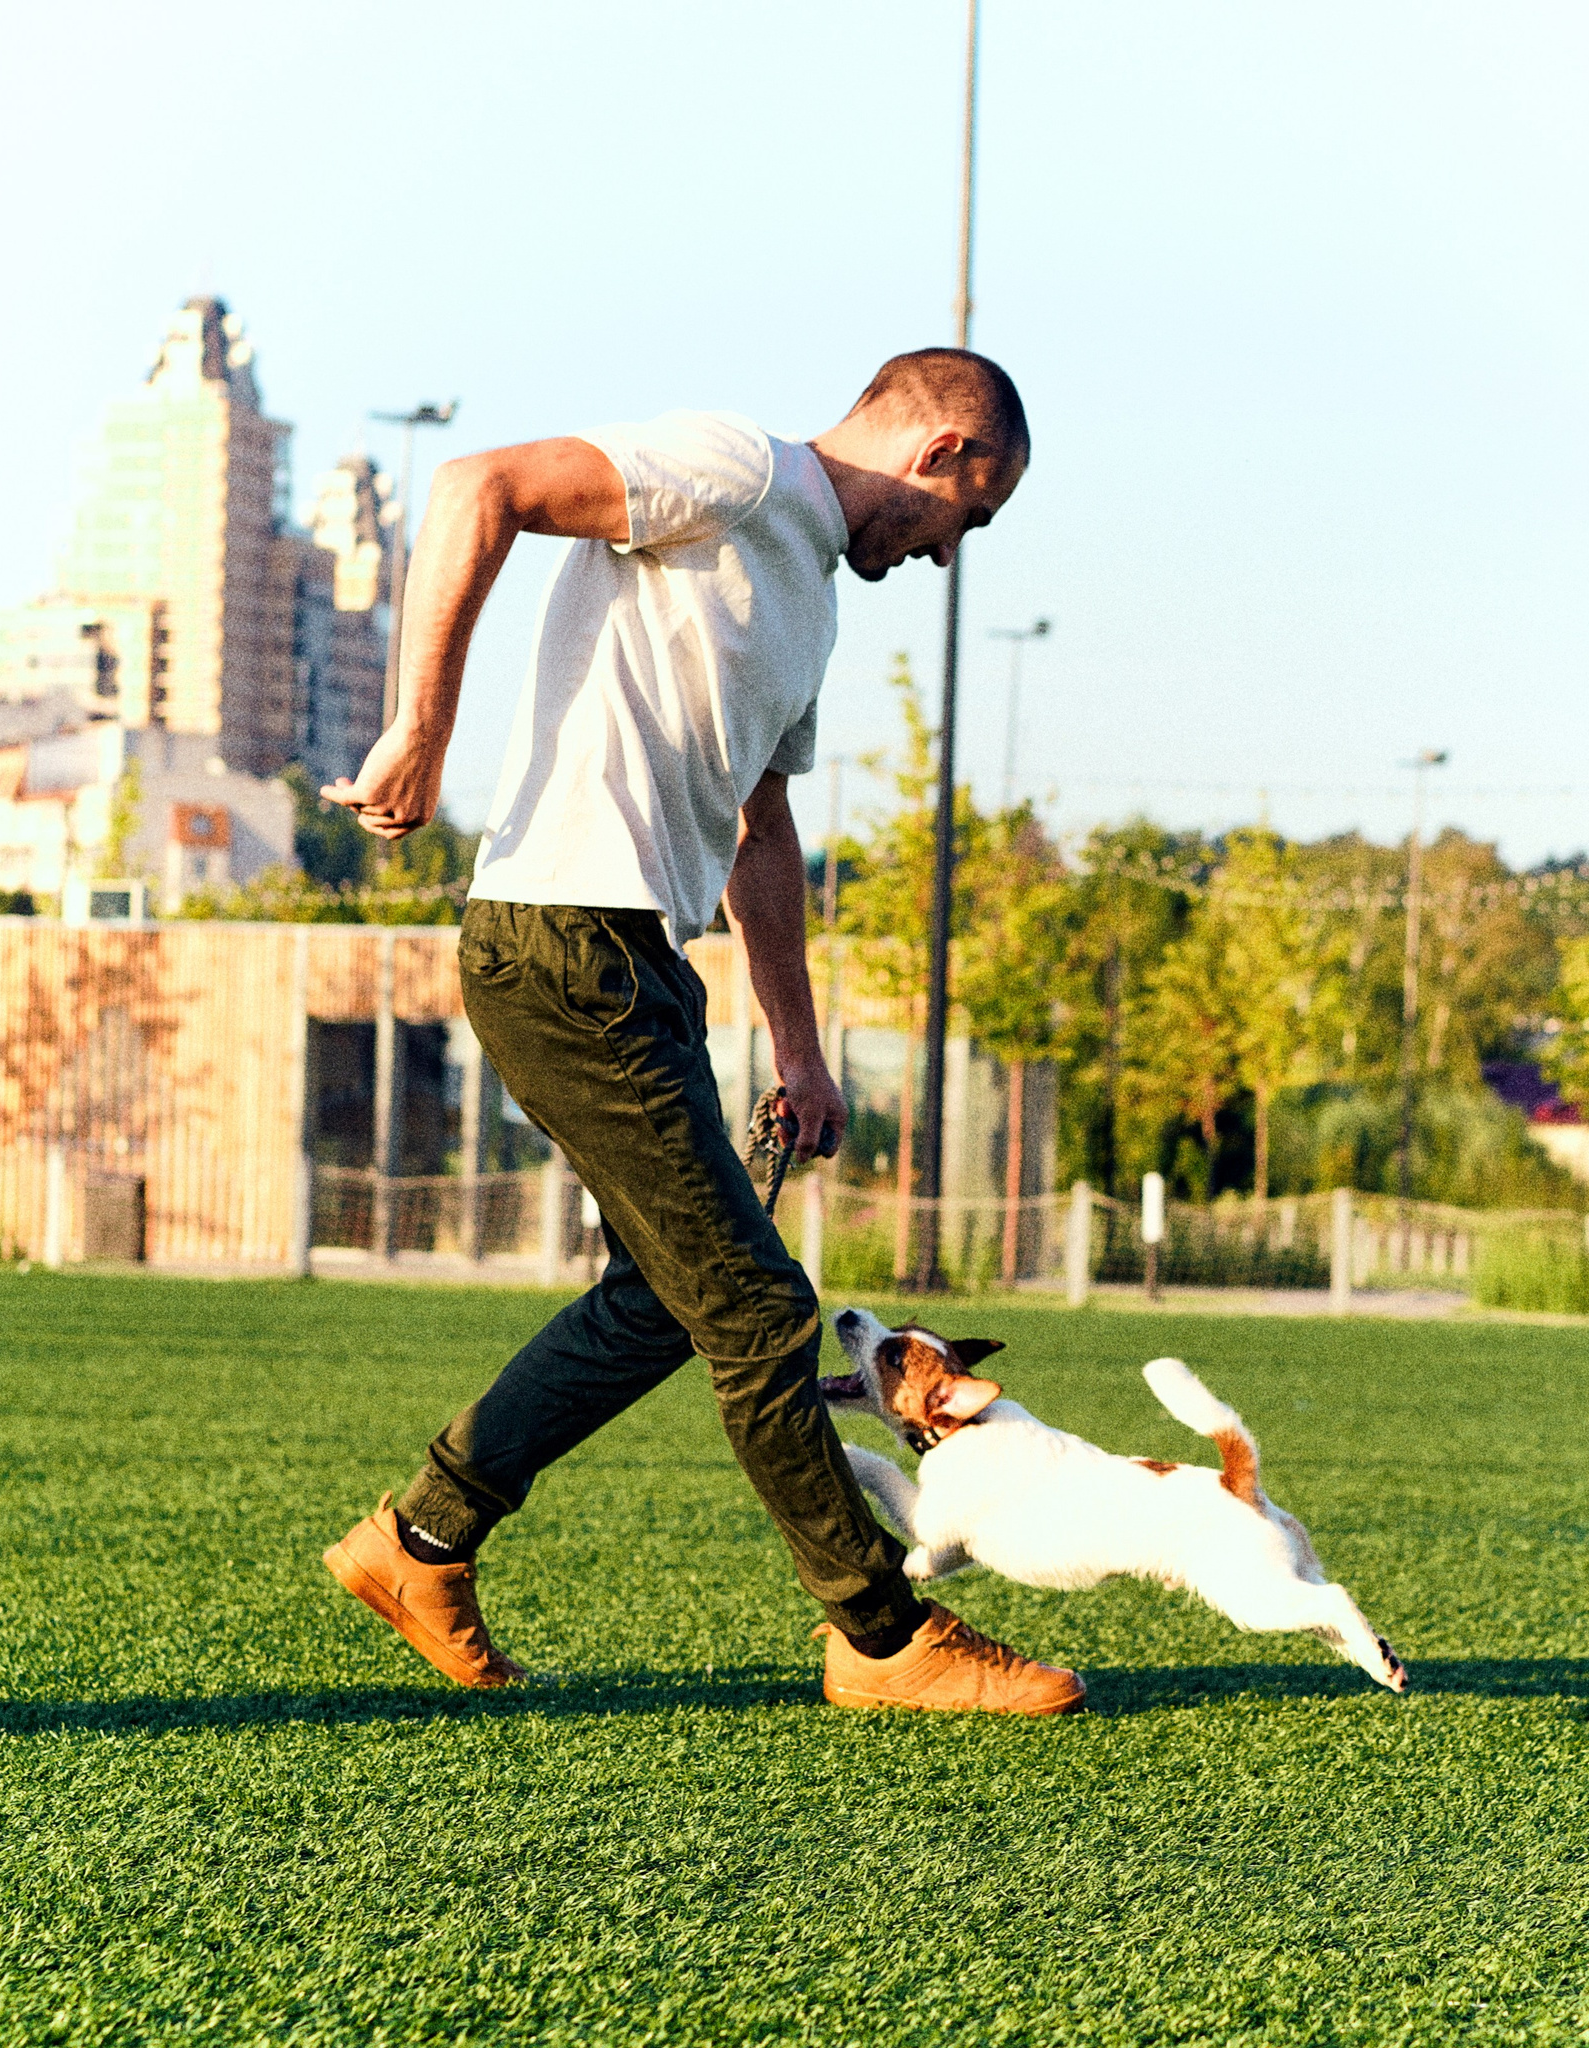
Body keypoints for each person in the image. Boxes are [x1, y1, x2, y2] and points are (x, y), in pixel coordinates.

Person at [317, 349, 1085, 1716]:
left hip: (640, 963)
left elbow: (762, 826)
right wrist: (420, 727)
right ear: (947, 452)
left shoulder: (812, 610)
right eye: (973, 521)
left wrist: (795, 1044)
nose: (950, 556)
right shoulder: (738, 473)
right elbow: (474, 486)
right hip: (558, 937)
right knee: (755, 1305)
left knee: (666, 1302)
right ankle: (880, 1633)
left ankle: (419, 1542)